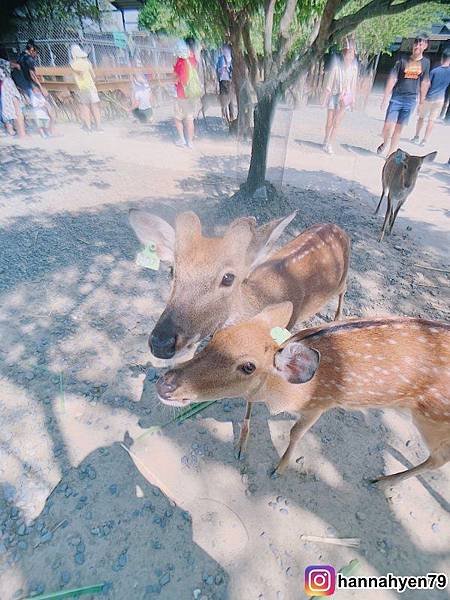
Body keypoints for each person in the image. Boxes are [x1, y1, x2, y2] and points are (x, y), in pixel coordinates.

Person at [378, 34, 430, 156]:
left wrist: (422, 103)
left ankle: (390, 155)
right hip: (397, 97)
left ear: (425, 46)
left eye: (420, 44)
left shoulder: (426, 63)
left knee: (398, 129)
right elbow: (393, 77)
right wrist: (385, 97)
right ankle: (385, 142)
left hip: (410, 100)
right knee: (388, 126)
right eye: (416, 43)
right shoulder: (402, 59)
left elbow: (424, 82)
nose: (417, 46)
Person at [322, 40, 358, 154]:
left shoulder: (354, 69)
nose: (350, 56)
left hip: (345, 98)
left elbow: (353, 86)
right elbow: (329, 85)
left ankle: (330, 144)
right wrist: (324, 99)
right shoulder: (336, 67)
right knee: (329, 121)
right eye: (347, 53)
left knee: (337, 122)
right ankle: (326, 138)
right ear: (343, 54)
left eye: (352, 53)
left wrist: (353, 100)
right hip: (334, 95)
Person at [411, 47, 450, 145]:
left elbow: (426, 85)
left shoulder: (435, 71)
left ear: (442, 58)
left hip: (429, 98)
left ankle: (416, 137)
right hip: (440, 99)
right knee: (432, 120)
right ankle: (425, 140)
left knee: (421, 118)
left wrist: (421, 99)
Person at [173, 38, 201, 148]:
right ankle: (190, 142)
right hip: (192, 94)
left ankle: (182, 140)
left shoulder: (180, 60)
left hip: (181, 94)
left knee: (177, 118)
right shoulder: (193, 59)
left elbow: (177, 77)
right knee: (190, 118)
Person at [69, 44, 102, 132]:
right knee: (95, 107)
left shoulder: (73, 64)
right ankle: (98, 127)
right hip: (91, 87)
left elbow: (76, 76)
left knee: (85, 107)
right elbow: (93, 76)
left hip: (82, 89)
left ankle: (89, 127)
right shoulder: (87, 63)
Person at [0, 58, 25, 137]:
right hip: (7, 84)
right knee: (16, 107)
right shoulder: (3, 62)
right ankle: (21, 132)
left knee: (7, 109)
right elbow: (15, 65)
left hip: (3, 85)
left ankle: (11, 130)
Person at [216, 43, 234, 121]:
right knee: (226, 98)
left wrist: (226, 69)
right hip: (225, 80)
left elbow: (218, 70)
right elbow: (217, 69)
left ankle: (228, 115)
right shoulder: (222, 58)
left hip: (226, 80)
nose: (224, 50)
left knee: (227, 98)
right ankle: (227, 115)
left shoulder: (229, 58)